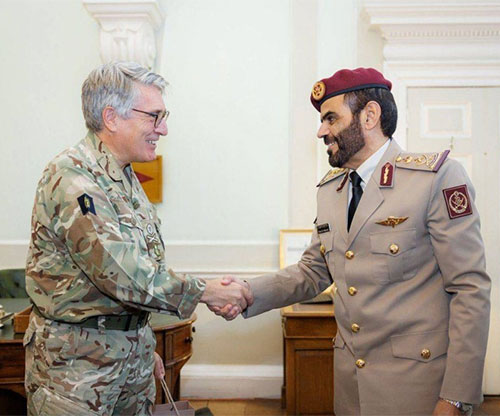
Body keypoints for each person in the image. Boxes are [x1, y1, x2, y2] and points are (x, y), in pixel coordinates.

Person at [220, 68, 491, 415]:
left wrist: (455, 397)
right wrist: (247, 292)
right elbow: (313, 272)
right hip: (351, 390)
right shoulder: (331, 191)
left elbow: (469, 289)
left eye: (331, 118)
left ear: (369, 115)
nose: (321, 131)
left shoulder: (435, 179)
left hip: (418, 390)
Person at [24, 61, 252, 416]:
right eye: (154, 116)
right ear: (111, 117)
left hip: (129, 362)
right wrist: (206, 291)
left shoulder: (124, 177)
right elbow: (120, 273)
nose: (163, 129)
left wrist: (140, 346)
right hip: (76, 376)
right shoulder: (73, 177)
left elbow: (142, 268)